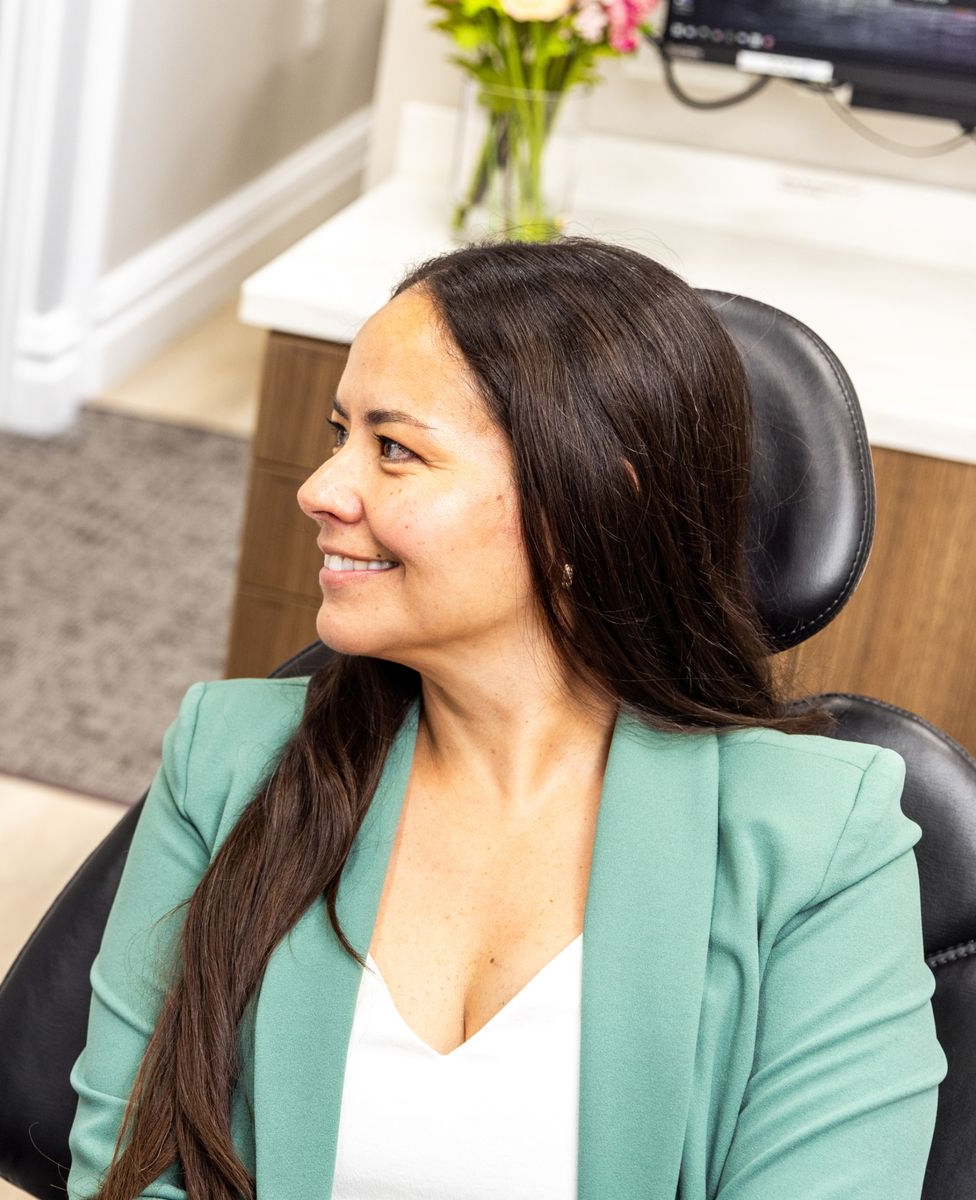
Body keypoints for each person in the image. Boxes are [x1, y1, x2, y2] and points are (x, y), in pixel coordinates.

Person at [64, 237, 945, 1199]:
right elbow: (131, 1165)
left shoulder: (820, 840)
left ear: (588, 502)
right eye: (338, 433)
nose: (319, 489)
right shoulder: (228, 757)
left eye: (394, 449)